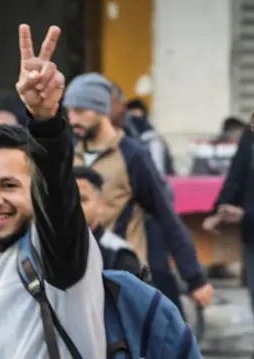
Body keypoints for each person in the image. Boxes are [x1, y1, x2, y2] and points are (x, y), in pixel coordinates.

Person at [0, 25, 106, 358]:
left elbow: (57, 192)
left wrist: (44, 120)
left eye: (9, 185)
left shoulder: (57, 255)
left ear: (36, 191)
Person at [64, 73, 214, 309]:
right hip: (79, 271)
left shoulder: (133, 155)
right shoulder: (71, 154)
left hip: (122, 273)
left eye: (80, 111)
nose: (72, 120)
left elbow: (165, 215)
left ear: (101, 109)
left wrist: (195, 278)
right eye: (69, 111)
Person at [203, 77, 254, 359]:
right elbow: (235, 177)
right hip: (251, 232)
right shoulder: (251, 135)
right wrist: (221, 208)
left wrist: (250, 213)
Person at [74, 165, 142, 274]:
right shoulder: (51, 250)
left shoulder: (119, 254)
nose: (74, 206)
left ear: (100, 205)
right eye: (68, 200)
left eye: (83, 200)